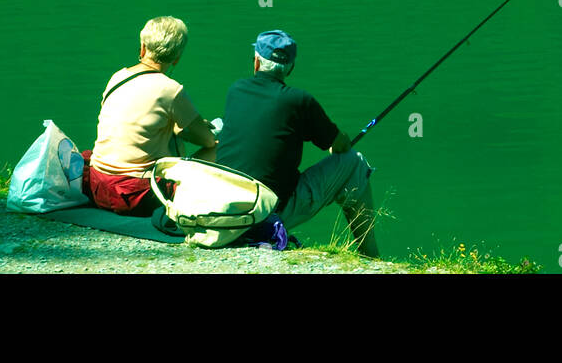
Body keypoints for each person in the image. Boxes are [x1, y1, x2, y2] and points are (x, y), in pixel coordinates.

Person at [217, 30, 379, 257]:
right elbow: (341, 145)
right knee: (355, 162)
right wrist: (333, 142)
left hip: (226, 206)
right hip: (269, 211)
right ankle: (371, 256)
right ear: (290, 67)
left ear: (256, 62)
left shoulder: (235, 91)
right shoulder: (299, 101)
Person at [83, 16, 219, 216]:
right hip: (135, 196)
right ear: (177, 58)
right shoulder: (171, 90)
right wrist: (189, 131)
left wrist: (176, 128)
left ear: (143, 47)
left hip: (97, 186)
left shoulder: (117, 77)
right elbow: (208, 141)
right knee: (220, 147)